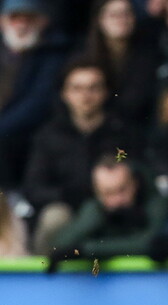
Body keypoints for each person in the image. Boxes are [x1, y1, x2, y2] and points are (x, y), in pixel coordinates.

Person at [22, 58, 139, 254]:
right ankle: (46, 279)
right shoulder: (49, 136)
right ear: (64, 94)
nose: (86, 96)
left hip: (114, 211)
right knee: (54, 217)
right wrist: (69, 196)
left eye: (93, 88)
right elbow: (33, 188)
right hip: (68, 214)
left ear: (105, 92)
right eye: (77, 88)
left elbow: (138, 175)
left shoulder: (123, 133)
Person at [0, 0, 69, 191]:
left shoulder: (53, 53)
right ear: (2, 22)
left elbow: (38, 104)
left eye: (28, 18)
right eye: (15, 18)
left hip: (26, 135)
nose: (21, 24)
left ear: (42, 22)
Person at [49, 155, 168, 261]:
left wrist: (87, 250)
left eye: (122, 190)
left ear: (134, 184)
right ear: (97, 192)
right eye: (108, 193)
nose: (117, 200)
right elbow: (60, 247)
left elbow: (149, 244)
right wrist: (93, 222)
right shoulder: (94, 210)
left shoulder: (156, 203)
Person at [82, 0, 163, 125]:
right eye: (114, 15)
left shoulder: (149, 56)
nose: (121, 19)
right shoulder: (84, 57)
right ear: (99, 20)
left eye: (126, 14)